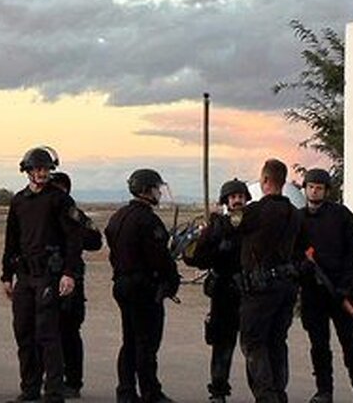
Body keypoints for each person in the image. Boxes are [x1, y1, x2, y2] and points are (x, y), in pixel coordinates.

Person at [2, 147, 85, 403]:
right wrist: (7, 275)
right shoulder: (19, 201)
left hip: (51, 275)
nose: (41, 173)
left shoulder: (60, 200)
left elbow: (74, 238)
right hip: (25, 277)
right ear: (27, 171)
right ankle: (30, 388)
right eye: (37, 169)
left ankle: (53, 392)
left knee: (48, 334)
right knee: (23, 332)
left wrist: (69, 273)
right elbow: (11, 240)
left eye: (46, 169)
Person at [298, 168, 353, 403]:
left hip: (342, 291)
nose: (314, 191)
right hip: (313, 293)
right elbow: (290, 252)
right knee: (319, 346)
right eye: (311, 186)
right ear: (305, 189)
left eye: (319, 187)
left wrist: (345, 284)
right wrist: (303, 268)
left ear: (326, 191)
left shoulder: (341, 215)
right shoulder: (298, 219)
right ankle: (324, 391)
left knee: (351, 345)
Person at [105, 168, 179, 403]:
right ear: (147, 190)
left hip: (121, 284)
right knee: (146, 342)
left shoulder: (118, 216)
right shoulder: (148, 220)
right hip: (143, 288)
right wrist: (171, 281)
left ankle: (125, 392)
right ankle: (150, 392)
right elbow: (159, 257)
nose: (159, 192)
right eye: (157, 188)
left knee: (129, 340)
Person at [235, 158, 302, 403]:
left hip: (260, 288)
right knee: (277, 341)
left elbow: (231, 228)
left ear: (265, 180)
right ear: (283, 182)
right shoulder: (294, 214)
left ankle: (266, 396)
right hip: (286, 286)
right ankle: (279, 393)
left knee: (254, 342)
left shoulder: (255, 212)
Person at [183, 179, 250, 403]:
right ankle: (218, 391)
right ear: (226, 201)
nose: (237, 200)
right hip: (223, 291)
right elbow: (196, 258)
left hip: (250, 290)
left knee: (254, 346)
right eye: (233, 197)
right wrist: (208, 243)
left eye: (240, 196)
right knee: (222, 345)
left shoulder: (254, 222)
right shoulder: (217, 226)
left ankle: (264, 392)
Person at [48, 171, 104, 400]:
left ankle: (72, 381)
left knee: (69, 332)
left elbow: (95, 240)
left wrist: (73, 236)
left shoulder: (74, 214)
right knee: (47, 332)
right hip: (46, 277)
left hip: (71, 278)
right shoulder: (41, 211)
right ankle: (52, 378)